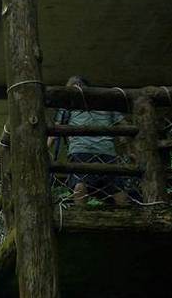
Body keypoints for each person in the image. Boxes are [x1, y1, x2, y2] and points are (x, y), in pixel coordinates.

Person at [47, 76, 129, 207]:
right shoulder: (106, 103)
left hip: (81, 151)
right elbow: (124, 128)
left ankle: (80, 214)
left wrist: (45, 149)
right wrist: (129, 150)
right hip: (106, 152)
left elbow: (55, 132)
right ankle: (126, 214)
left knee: (80, 185)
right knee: (116, 188)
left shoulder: (68, 106)